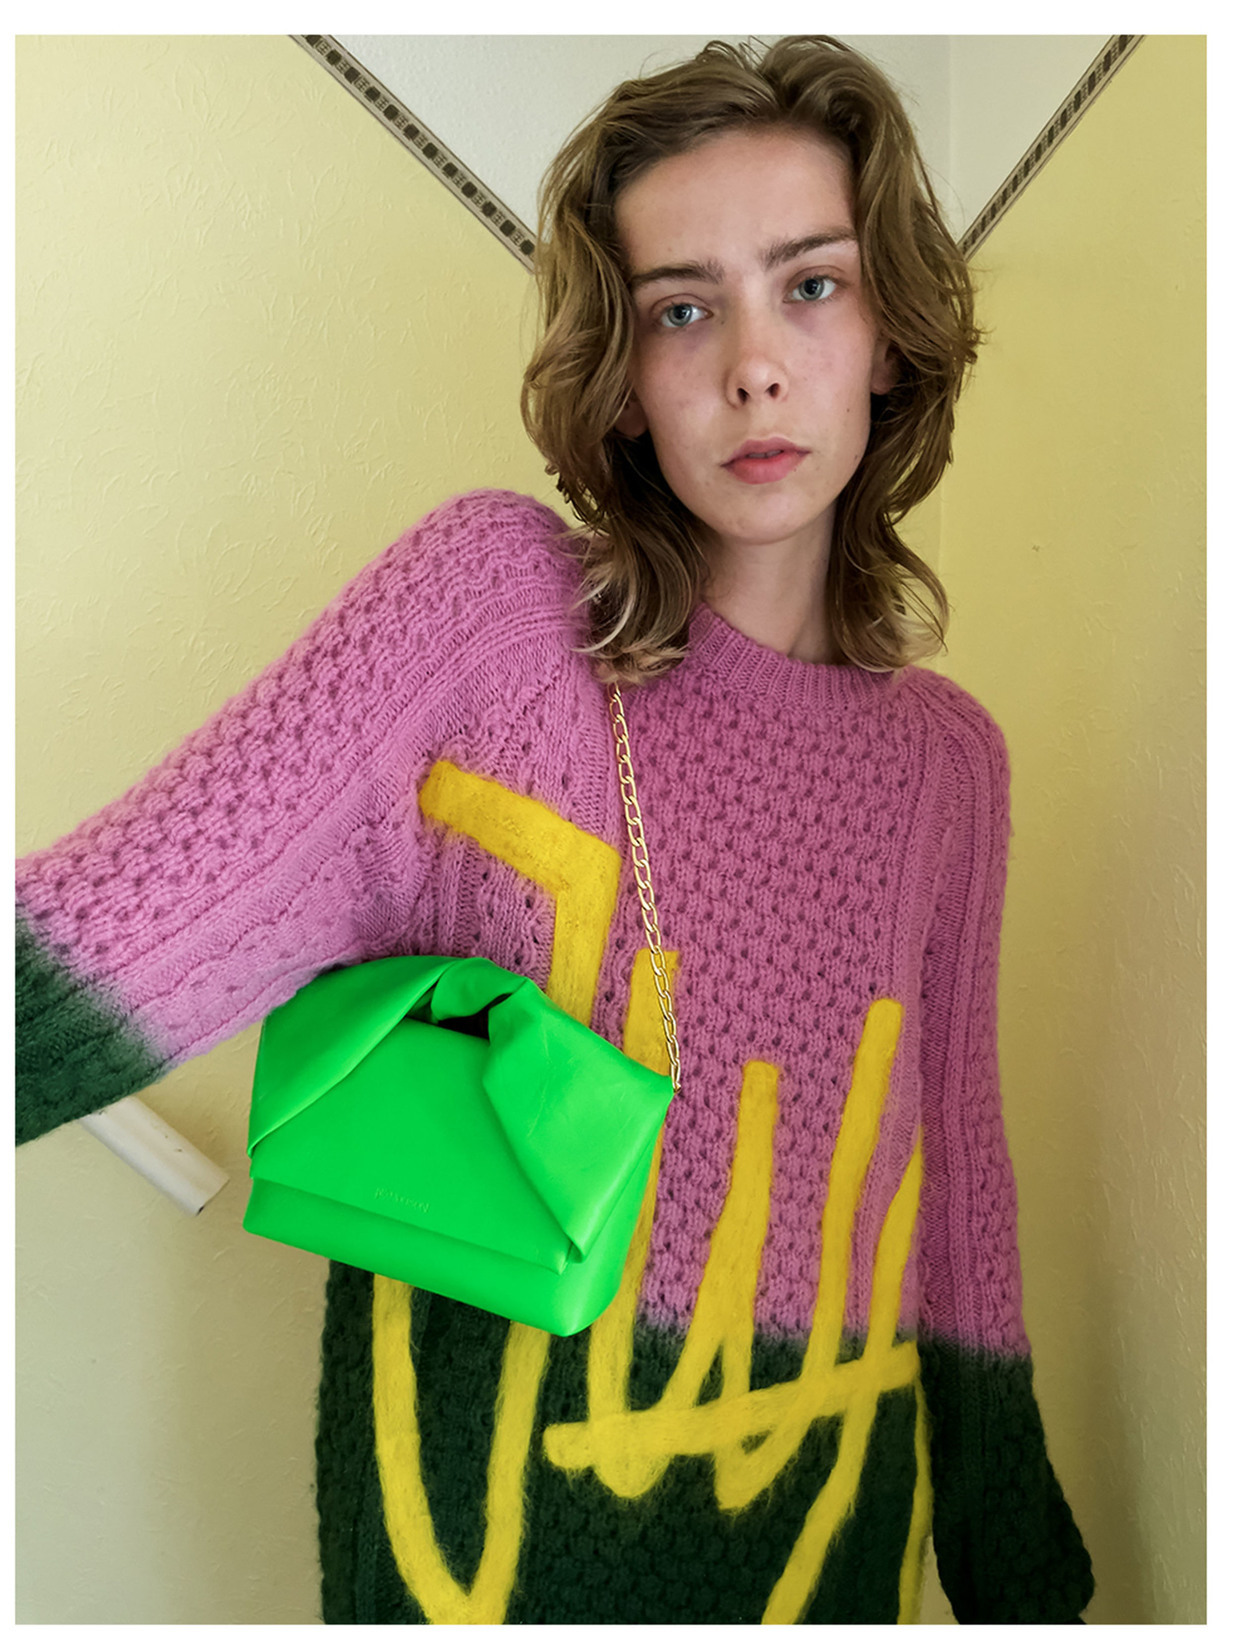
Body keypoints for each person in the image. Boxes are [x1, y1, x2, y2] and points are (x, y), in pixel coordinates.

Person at [15, 36, 1094, 1624]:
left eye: (811, 286)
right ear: (625, 372)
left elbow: (954, 1189)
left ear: (888, 339)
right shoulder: (494, 617)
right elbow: (134, 922)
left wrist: (1024, 1580)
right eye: (682, 309)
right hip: (480, 1557)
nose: (753, 364)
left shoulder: (953, 764)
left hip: (832, 1551)